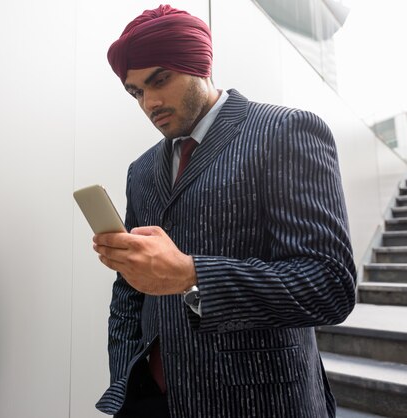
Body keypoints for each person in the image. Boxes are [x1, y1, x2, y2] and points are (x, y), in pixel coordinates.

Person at [92, 5, 356, 418]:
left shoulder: (284, 131)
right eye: (136, 91)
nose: (150, 102)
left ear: (200, 64)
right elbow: (129, 290)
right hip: (151, 399)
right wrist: (125, 373)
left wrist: (192, 275)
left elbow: (329, 284)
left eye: (160, 79)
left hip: (258, 401)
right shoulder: (141, 170)